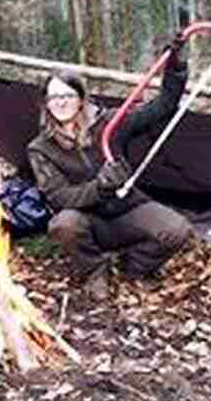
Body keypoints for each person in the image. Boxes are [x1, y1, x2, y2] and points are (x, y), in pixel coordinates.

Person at [26, 32, 195, 302]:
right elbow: (59, 197)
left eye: (68, 95)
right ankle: (95, 271)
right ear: (46, 103)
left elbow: (163, 106)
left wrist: (174, 67)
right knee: (63, 224)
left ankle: (132, 267)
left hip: (127, 209)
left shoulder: (111, 124)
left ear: (81, 98)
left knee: (177, 231)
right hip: (88, 222)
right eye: (54, 97)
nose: (61, 102)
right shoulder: (40, 148)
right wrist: (100, 188)